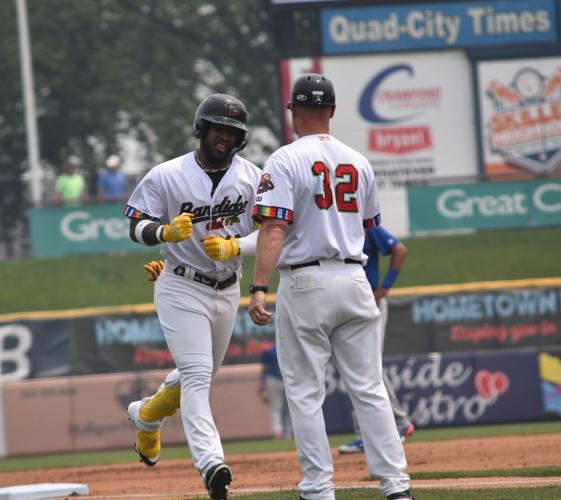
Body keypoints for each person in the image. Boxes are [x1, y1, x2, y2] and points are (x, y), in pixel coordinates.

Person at [248, 73, 413, 500]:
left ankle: (319, 489)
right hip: (355, 277)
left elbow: (272, 228)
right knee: (370, 387)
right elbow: (370, 226)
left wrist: (259, 287)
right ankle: (396, 486)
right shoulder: (358, 161)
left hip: (305, 280)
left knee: (304, 393)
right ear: (333, 112)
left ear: (292, 111)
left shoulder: (283, 160)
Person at [123, 93, 261, 500]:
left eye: (233, 133)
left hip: (227, 286)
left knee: (196, 377)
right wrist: (163, 233)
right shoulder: (167, 174)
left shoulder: (252, 176)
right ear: (202, 128)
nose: (225, 138)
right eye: (219, 129)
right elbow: (134, 223)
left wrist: (238, 247)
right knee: (199, 377)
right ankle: (211, 464)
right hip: (181, 283)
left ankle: (147, 415)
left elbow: (272, 233)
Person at [338, 226, 414, 454]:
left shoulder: (367, 226)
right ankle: (368, 433)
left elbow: (399, 250)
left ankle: (397, 422)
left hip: (370, 302)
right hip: (346, 303)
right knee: (357, 368)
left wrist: (385, 287)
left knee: (368, 367)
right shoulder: (334, 226)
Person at [258, 343, 292, 440]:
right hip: (276, 379)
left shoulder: (272, 350)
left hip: (284, 380)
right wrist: (262, 382)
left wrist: (262, 382)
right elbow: (265, 367)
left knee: (283, 408)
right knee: (279, 407)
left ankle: (284, 433)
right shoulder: (270, 350)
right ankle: (280, 433)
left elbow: (264, 369)